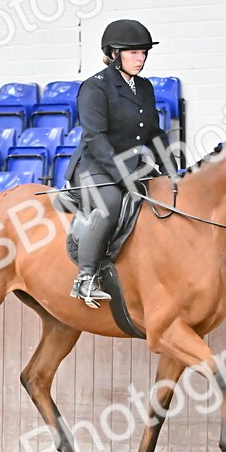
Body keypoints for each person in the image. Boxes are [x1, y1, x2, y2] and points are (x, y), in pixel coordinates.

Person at [63, 19, 170, 308]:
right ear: (114, 54)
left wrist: (172, 171)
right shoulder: (95, 88)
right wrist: (123, 175)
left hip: (132, 166)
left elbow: (154, 133)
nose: (140, 58)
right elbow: (95, 138)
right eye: (133, 52)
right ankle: (85, 278)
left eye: (143, 53)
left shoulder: (144, 87)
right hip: (95, 167)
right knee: (109, 204)